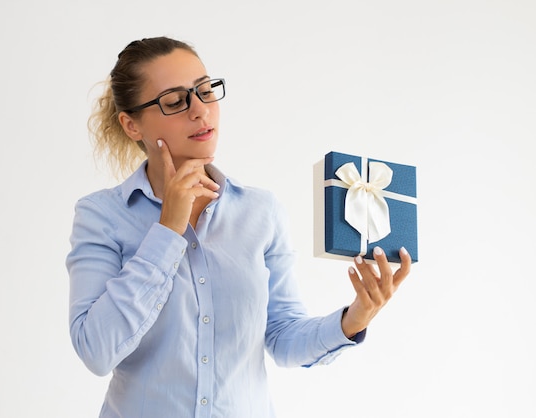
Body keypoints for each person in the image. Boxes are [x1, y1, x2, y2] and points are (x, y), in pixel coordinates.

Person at [66, 36, 411, 418]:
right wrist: (167, 231)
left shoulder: (260, 212)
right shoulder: (101, 215)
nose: (200, 111)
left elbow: (282, 337)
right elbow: (95, 351)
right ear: (132, 125)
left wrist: (355, 318)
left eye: (204, 90)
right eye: (175, 101)